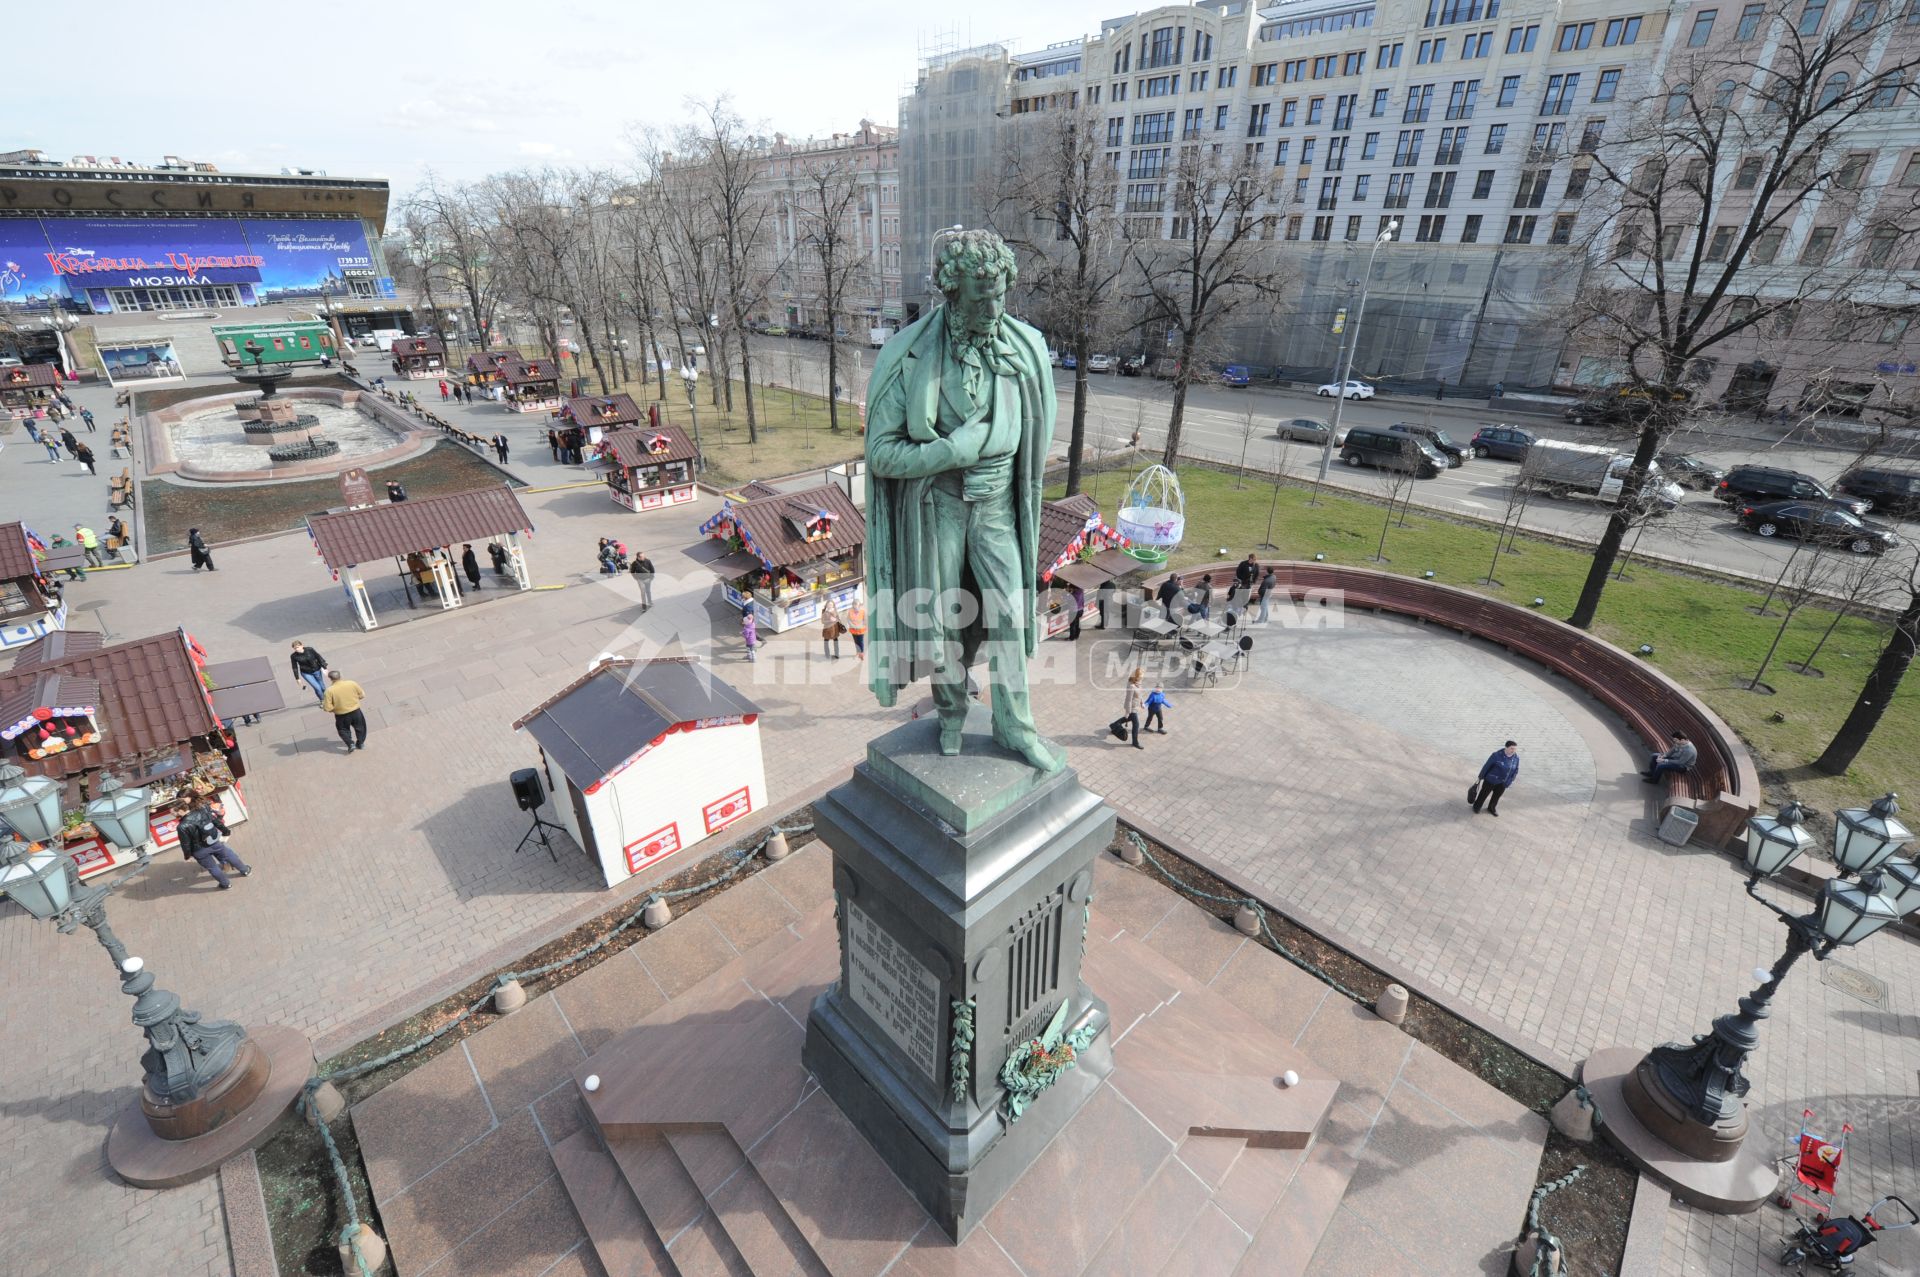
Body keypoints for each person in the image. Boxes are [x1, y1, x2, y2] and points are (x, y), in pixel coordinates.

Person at [862, 229, 1059, 771]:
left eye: (1000, 294)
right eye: (980, 296)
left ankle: (1015, 726)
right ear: (952, 291)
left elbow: (1040, 431)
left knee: (1012, 617)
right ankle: (950, 710)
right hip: (937, 508)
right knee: (942, 618)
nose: (993, 308)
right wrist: (950, 450)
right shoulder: (908, 356)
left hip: (997, 506)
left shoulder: (1026, 347)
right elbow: (881, 453)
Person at [175, 795, 250, 889]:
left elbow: (185, 843)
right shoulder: (201, 812)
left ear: (180, 811)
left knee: (213, 868)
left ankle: (226, 884)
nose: (172, 814)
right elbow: (215, 821)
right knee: (229, 856)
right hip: (213, 842)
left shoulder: (182, 826)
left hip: (199, 850)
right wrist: (226, 831)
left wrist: (187, 855)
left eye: (173, 812)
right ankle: (245, 870)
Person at [320, 670, 369, 752]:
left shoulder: (329, 691)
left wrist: (335, 709)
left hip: (341, 715)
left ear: (330, 679)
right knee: (360, 727)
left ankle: (350, 744)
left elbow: (327, 708)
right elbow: (362, 695)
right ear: (340, 676)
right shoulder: (351, 683)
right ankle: (360, 743)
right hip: (356, 711)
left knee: (343, 730)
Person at [1473, 740, 1520, 816]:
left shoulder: (1516, 758)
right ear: (1506, 748)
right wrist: (1480, 777)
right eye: (1512, 748)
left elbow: (1516, 770)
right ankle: (1477, 806)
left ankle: (1491, 808)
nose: (1513, 751)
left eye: (1515, 749)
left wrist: (1510, 780)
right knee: (1483, 794)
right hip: (1491, 780)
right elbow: (1486, 766)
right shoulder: (1496, 755)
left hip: (1503, 782)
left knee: (1496, 796)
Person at [1116, 669, 1145, 749]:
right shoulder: (1131, 686)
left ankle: (1114, 724)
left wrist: (1142, 702)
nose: (1142, 679)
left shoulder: (1138, 683)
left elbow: (1140, 693)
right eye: (1140, 677)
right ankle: (1135, 742)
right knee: (1136, 724)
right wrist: (1128, 712)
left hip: (1136, 706)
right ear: (1136, 677)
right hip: (1131, 707)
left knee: (1128, 718)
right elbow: (1129, 700)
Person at [821, 595, 843, 660]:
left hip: (834, 629)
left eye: (831, 604)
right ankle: (827, 654)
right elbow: (822, 621)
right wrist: (830, 620)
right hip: (827, 629)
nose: (830, 605)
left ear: (833, 605)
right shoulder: (824, 611)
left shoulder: (835, 610)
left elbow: (838, 619)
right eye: (829, 604)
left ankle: (837, 654)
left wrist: (836, 620)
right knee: (826, 642)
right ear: (826, 605)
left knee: (836, 642)